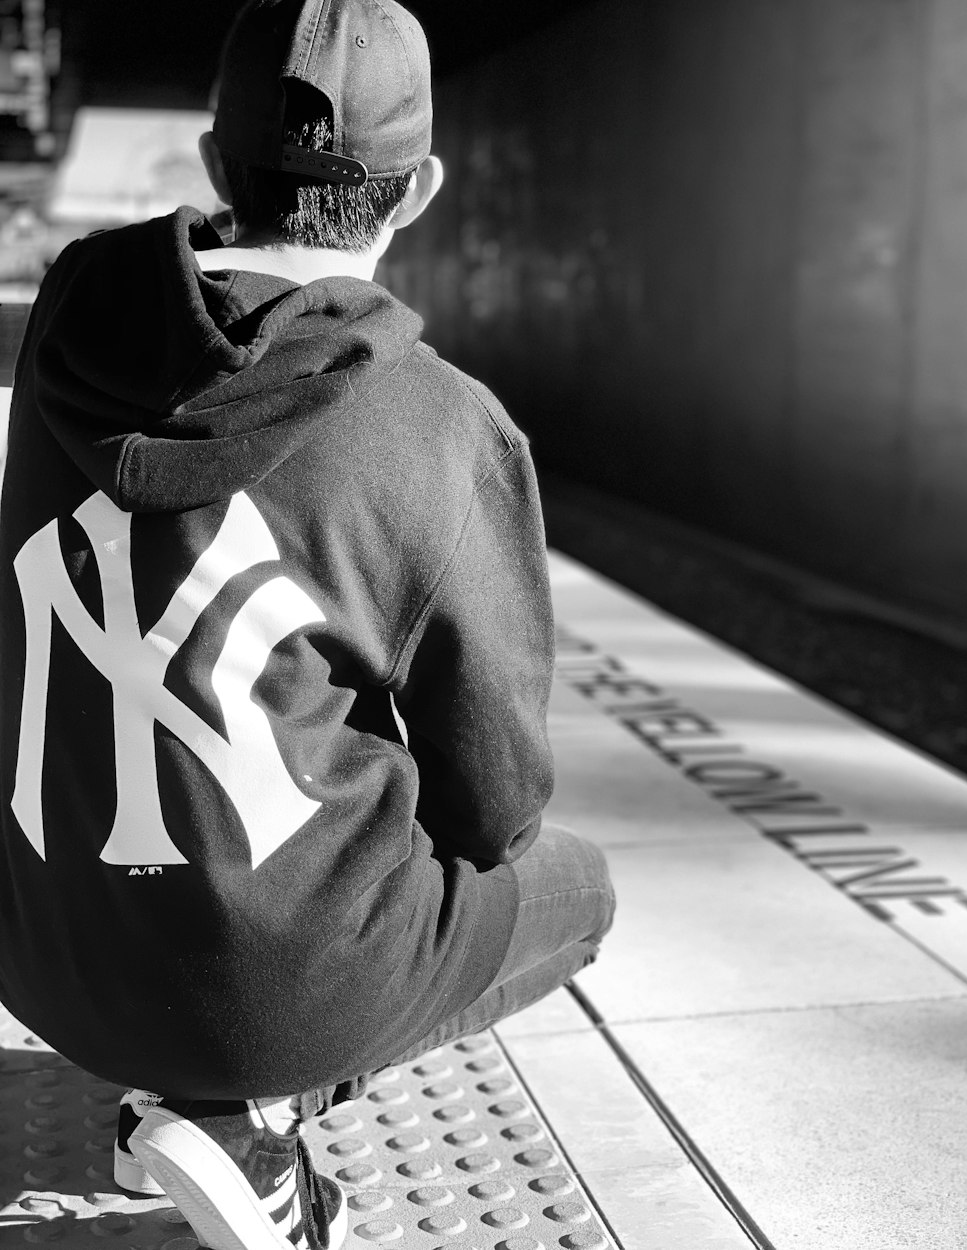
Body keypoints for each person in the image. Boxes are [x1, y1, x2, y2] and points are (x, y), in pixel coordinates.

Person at [0, 2, 615, 1247]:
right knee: (578, 890)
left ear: (216, 166)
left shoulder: (65, 338)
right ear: (423, 185)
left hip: (40, 956)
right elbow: (496, 805)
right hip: (271, 988)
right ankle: (245, 1123)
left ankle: (191, 1078)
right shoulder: (445, 424)